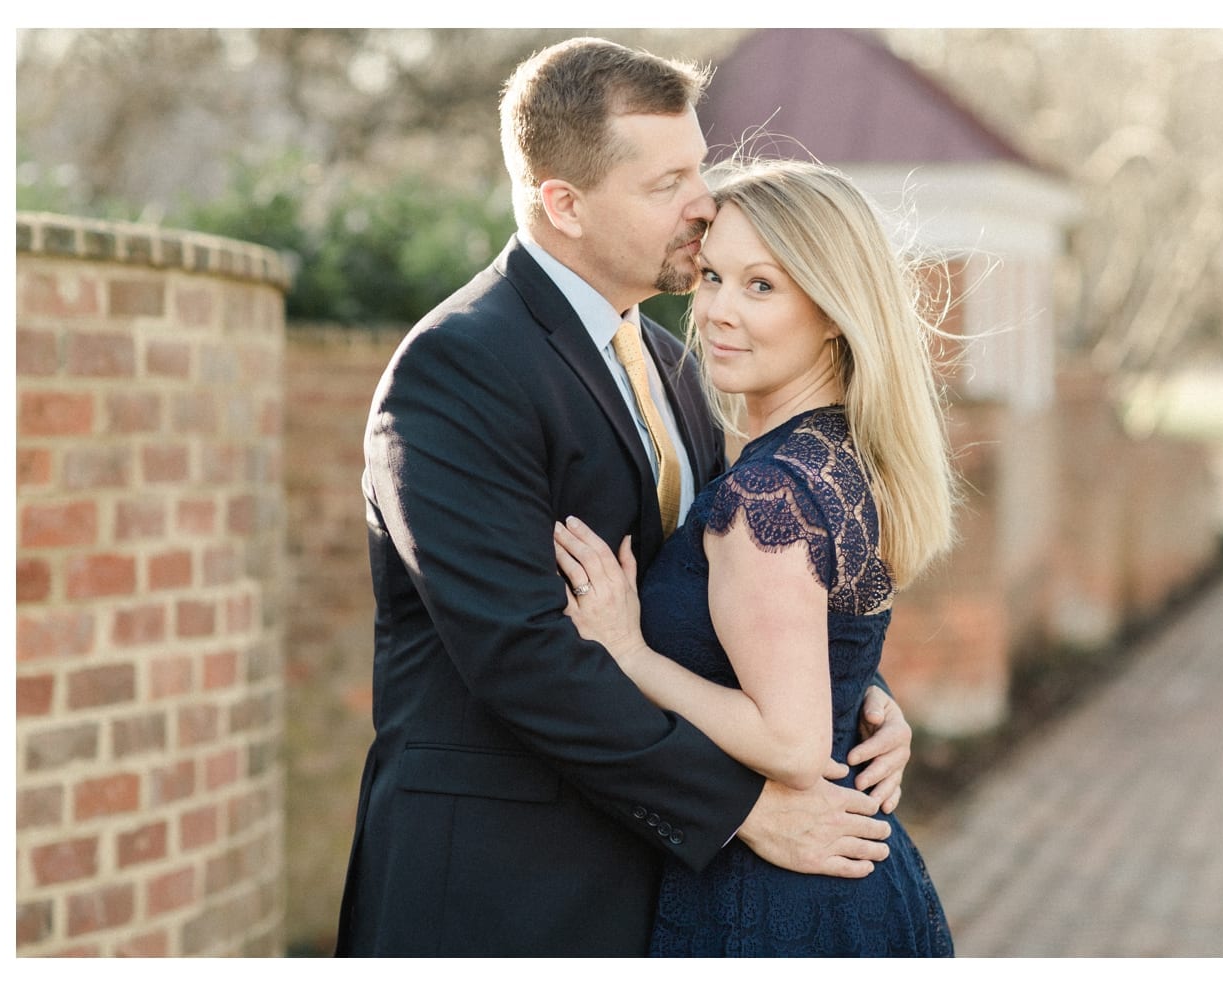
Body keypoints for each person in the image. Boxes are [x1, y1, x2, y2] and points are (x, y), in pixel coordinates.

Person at [334, 37, 914, 958]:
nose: (703, 203)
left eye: (700, 167)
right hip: (500, 891)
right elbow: (522, 654)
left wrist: (847, 690)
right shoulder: (459, 369)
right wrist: (745, 807)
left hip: (647, 884)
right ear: (562, 203)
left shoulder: (677, 367)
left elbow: (718, 590)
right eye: (666, 183)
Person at [552, 157, 959, 956]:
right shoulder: (842, 459)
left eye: (762, 286)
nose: (717, 312)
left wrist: (628, 653)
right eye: (710, 277)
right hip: (850, 882)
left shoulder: (768, 494)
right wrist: (863, 696)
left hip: (777, 901)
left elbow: (793, 744)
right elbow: (819, 649)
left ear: (834, 310)